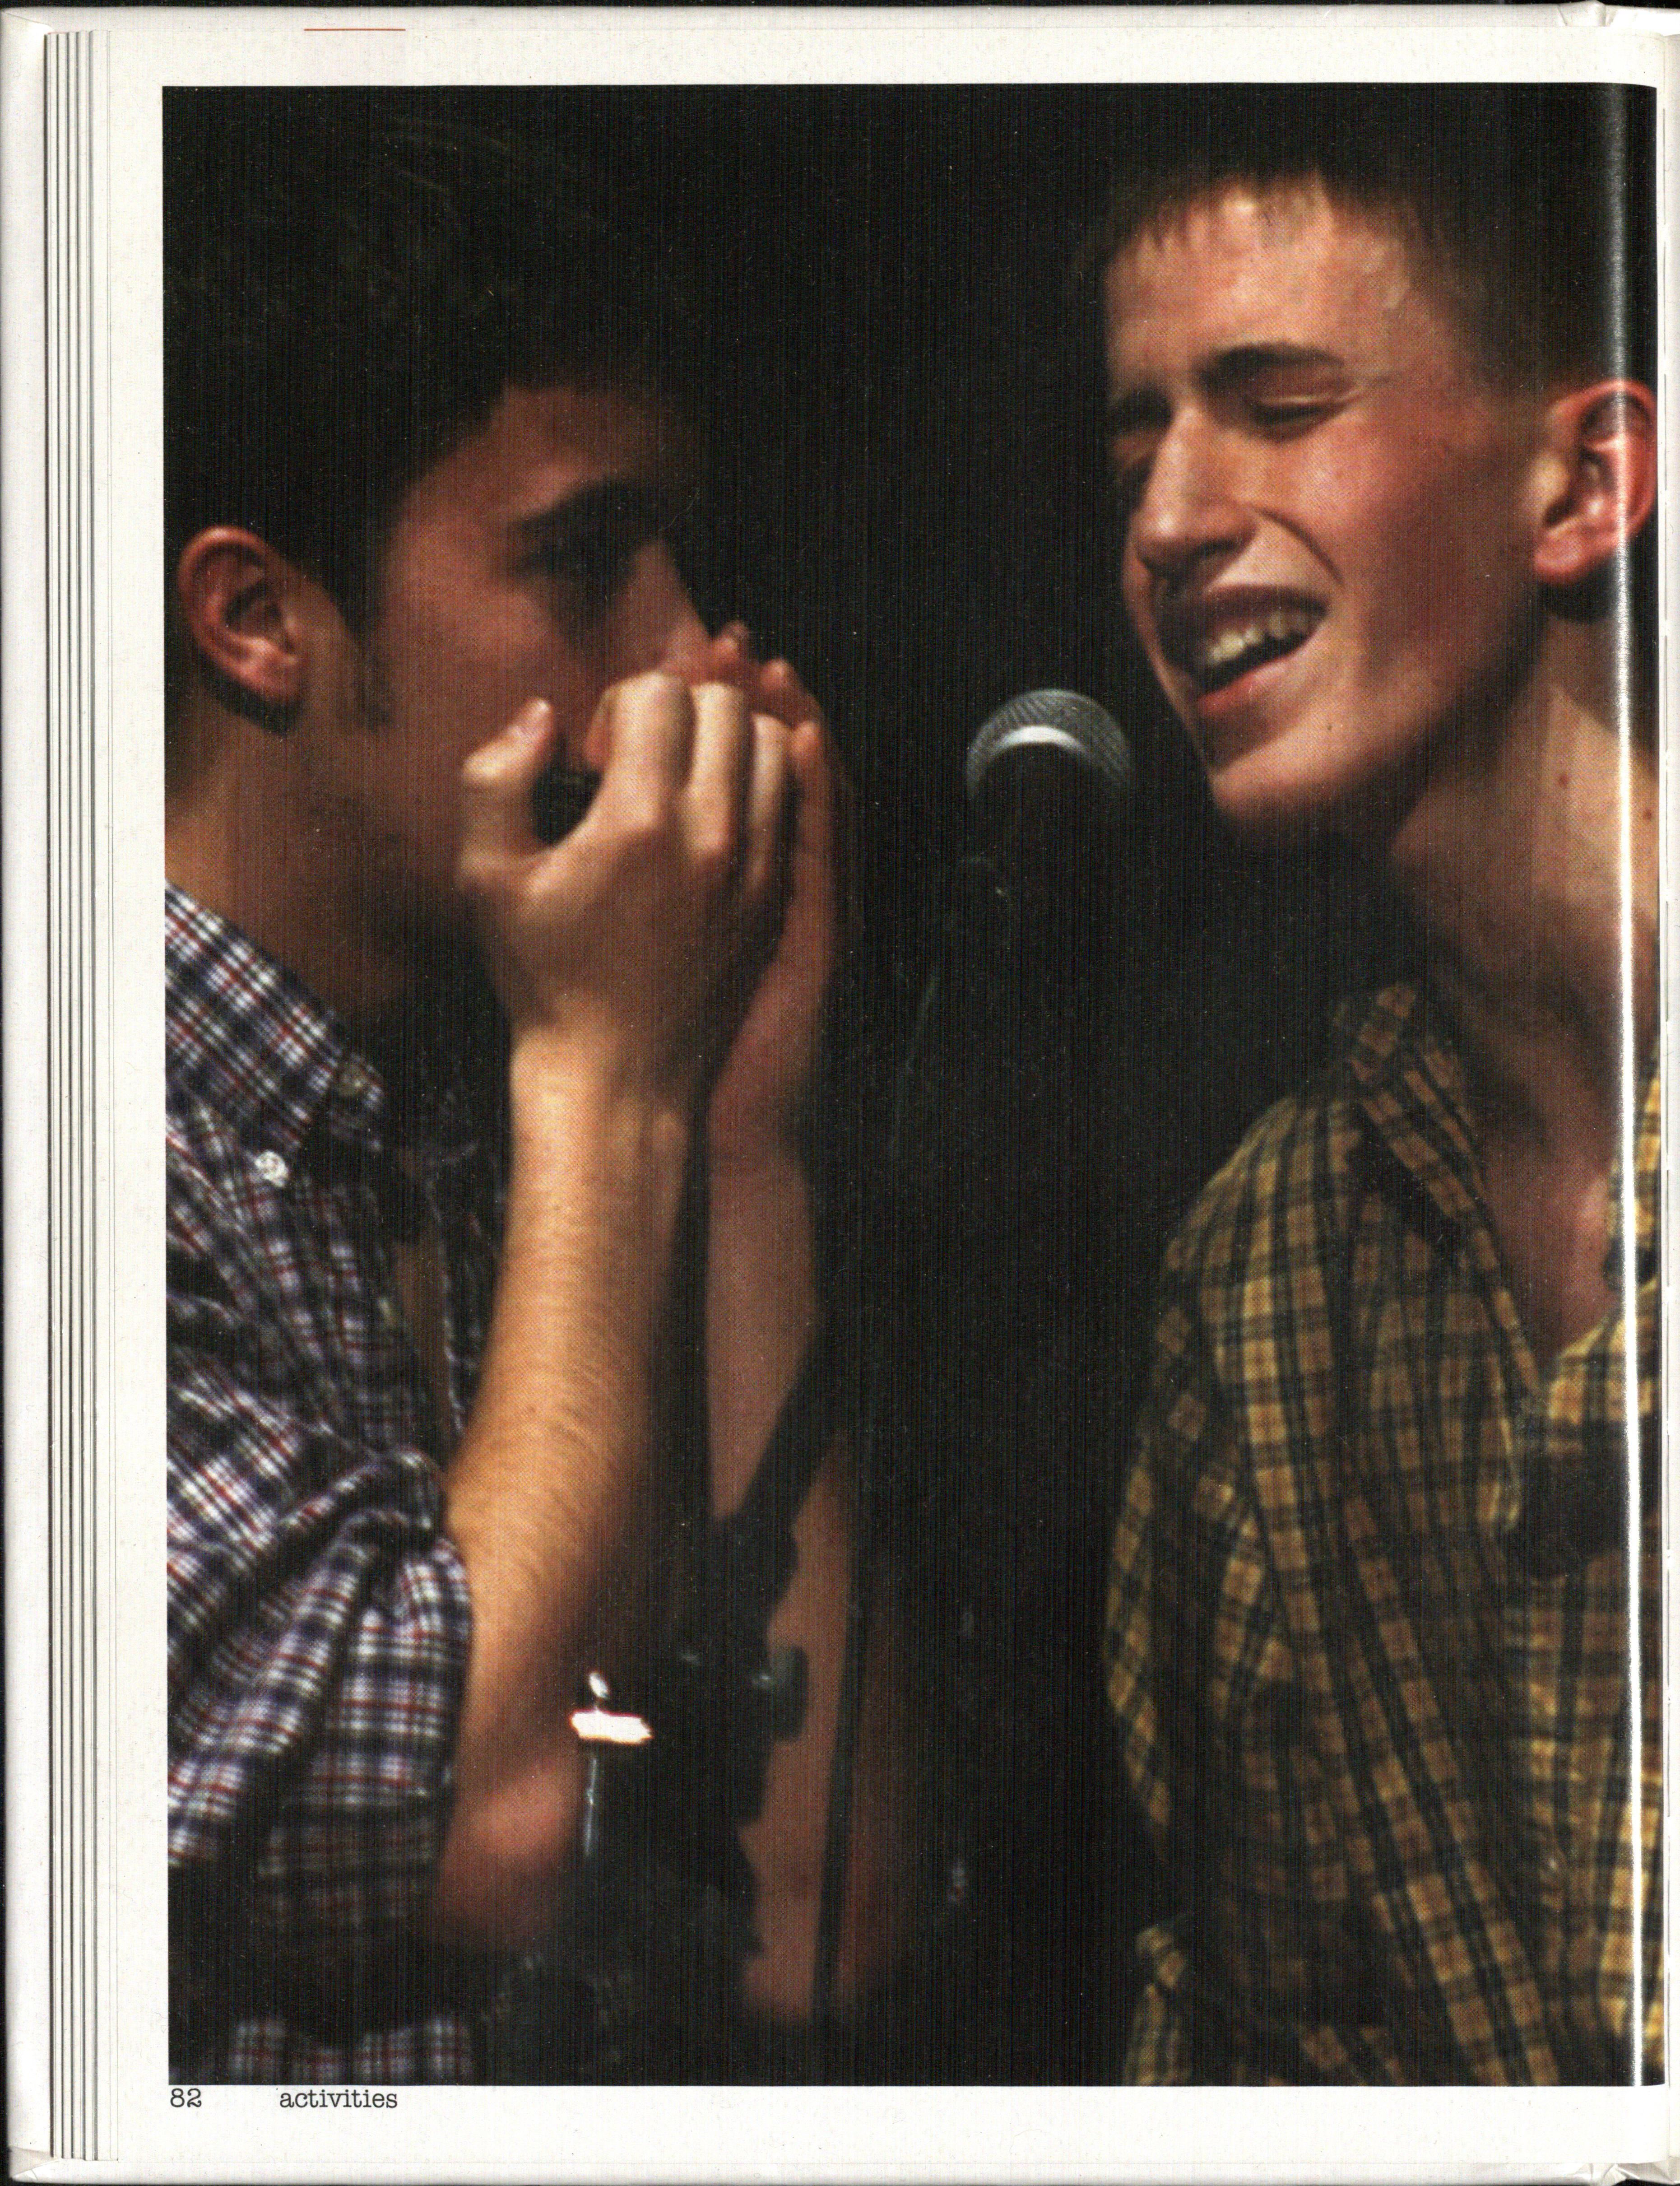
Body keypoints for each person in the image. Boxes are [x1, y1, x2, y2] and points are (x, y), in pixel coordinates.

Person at [165, 95, 894, 2082]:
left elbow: (823, 1917)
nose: (684, 651)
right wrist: (608, 1076)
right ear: (258, 620)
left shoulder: (508, 1117)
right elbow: (481, 1828)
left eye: (679, 555)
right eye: (580, 562)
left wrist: (744, 1138)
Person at [1099, 88, 1660, 2082]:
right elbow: (1244, 2043)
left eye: (1278, 405)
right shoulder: (1264, 1269)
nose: (1169, 519)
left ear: (1580, 484)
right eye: (1137, 446)